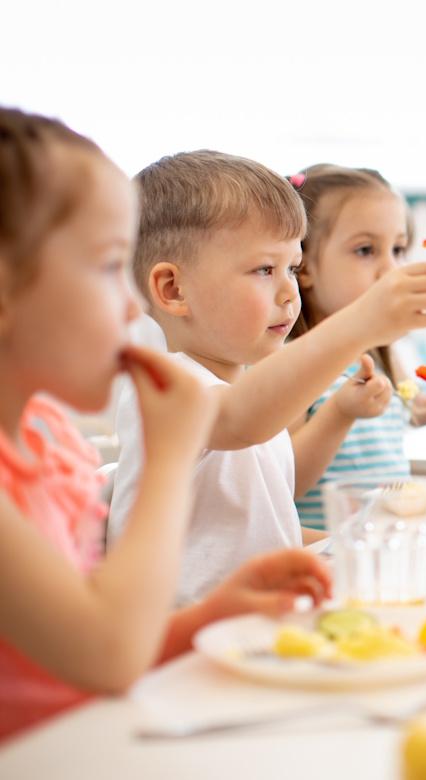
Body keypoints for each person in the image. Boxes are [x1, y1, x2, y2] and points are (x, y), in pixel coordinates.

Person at [0, 107, 332, 740]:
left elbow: (83, 649)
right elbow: (107, 655)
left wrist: (208, 617)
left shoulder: (48, 441)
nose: (131, 303)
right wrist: (172, 458)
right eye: (105, 267)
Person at [108, 151, 426, 604]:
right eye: (264, 270)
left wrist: (356, 540)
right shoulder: (163, 389)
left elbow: (262, 529)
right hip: (180, 645)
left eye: (292, 268)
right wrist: (362, 320)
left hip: (253, 627)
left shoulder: (246, 396)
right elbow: (239, 420)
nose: (288, 291)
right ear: (173, 290)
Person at [287, 164, 426, 529]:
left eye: (398, 249)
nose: (391, 269)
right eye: (365, 250)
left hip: (394, 546)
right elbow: (284, 483)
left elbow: (415, 406)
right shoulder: (288, 363)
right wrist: (340, 414)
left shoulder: (379, 352)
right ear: (303, 265)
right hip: (331, 557)